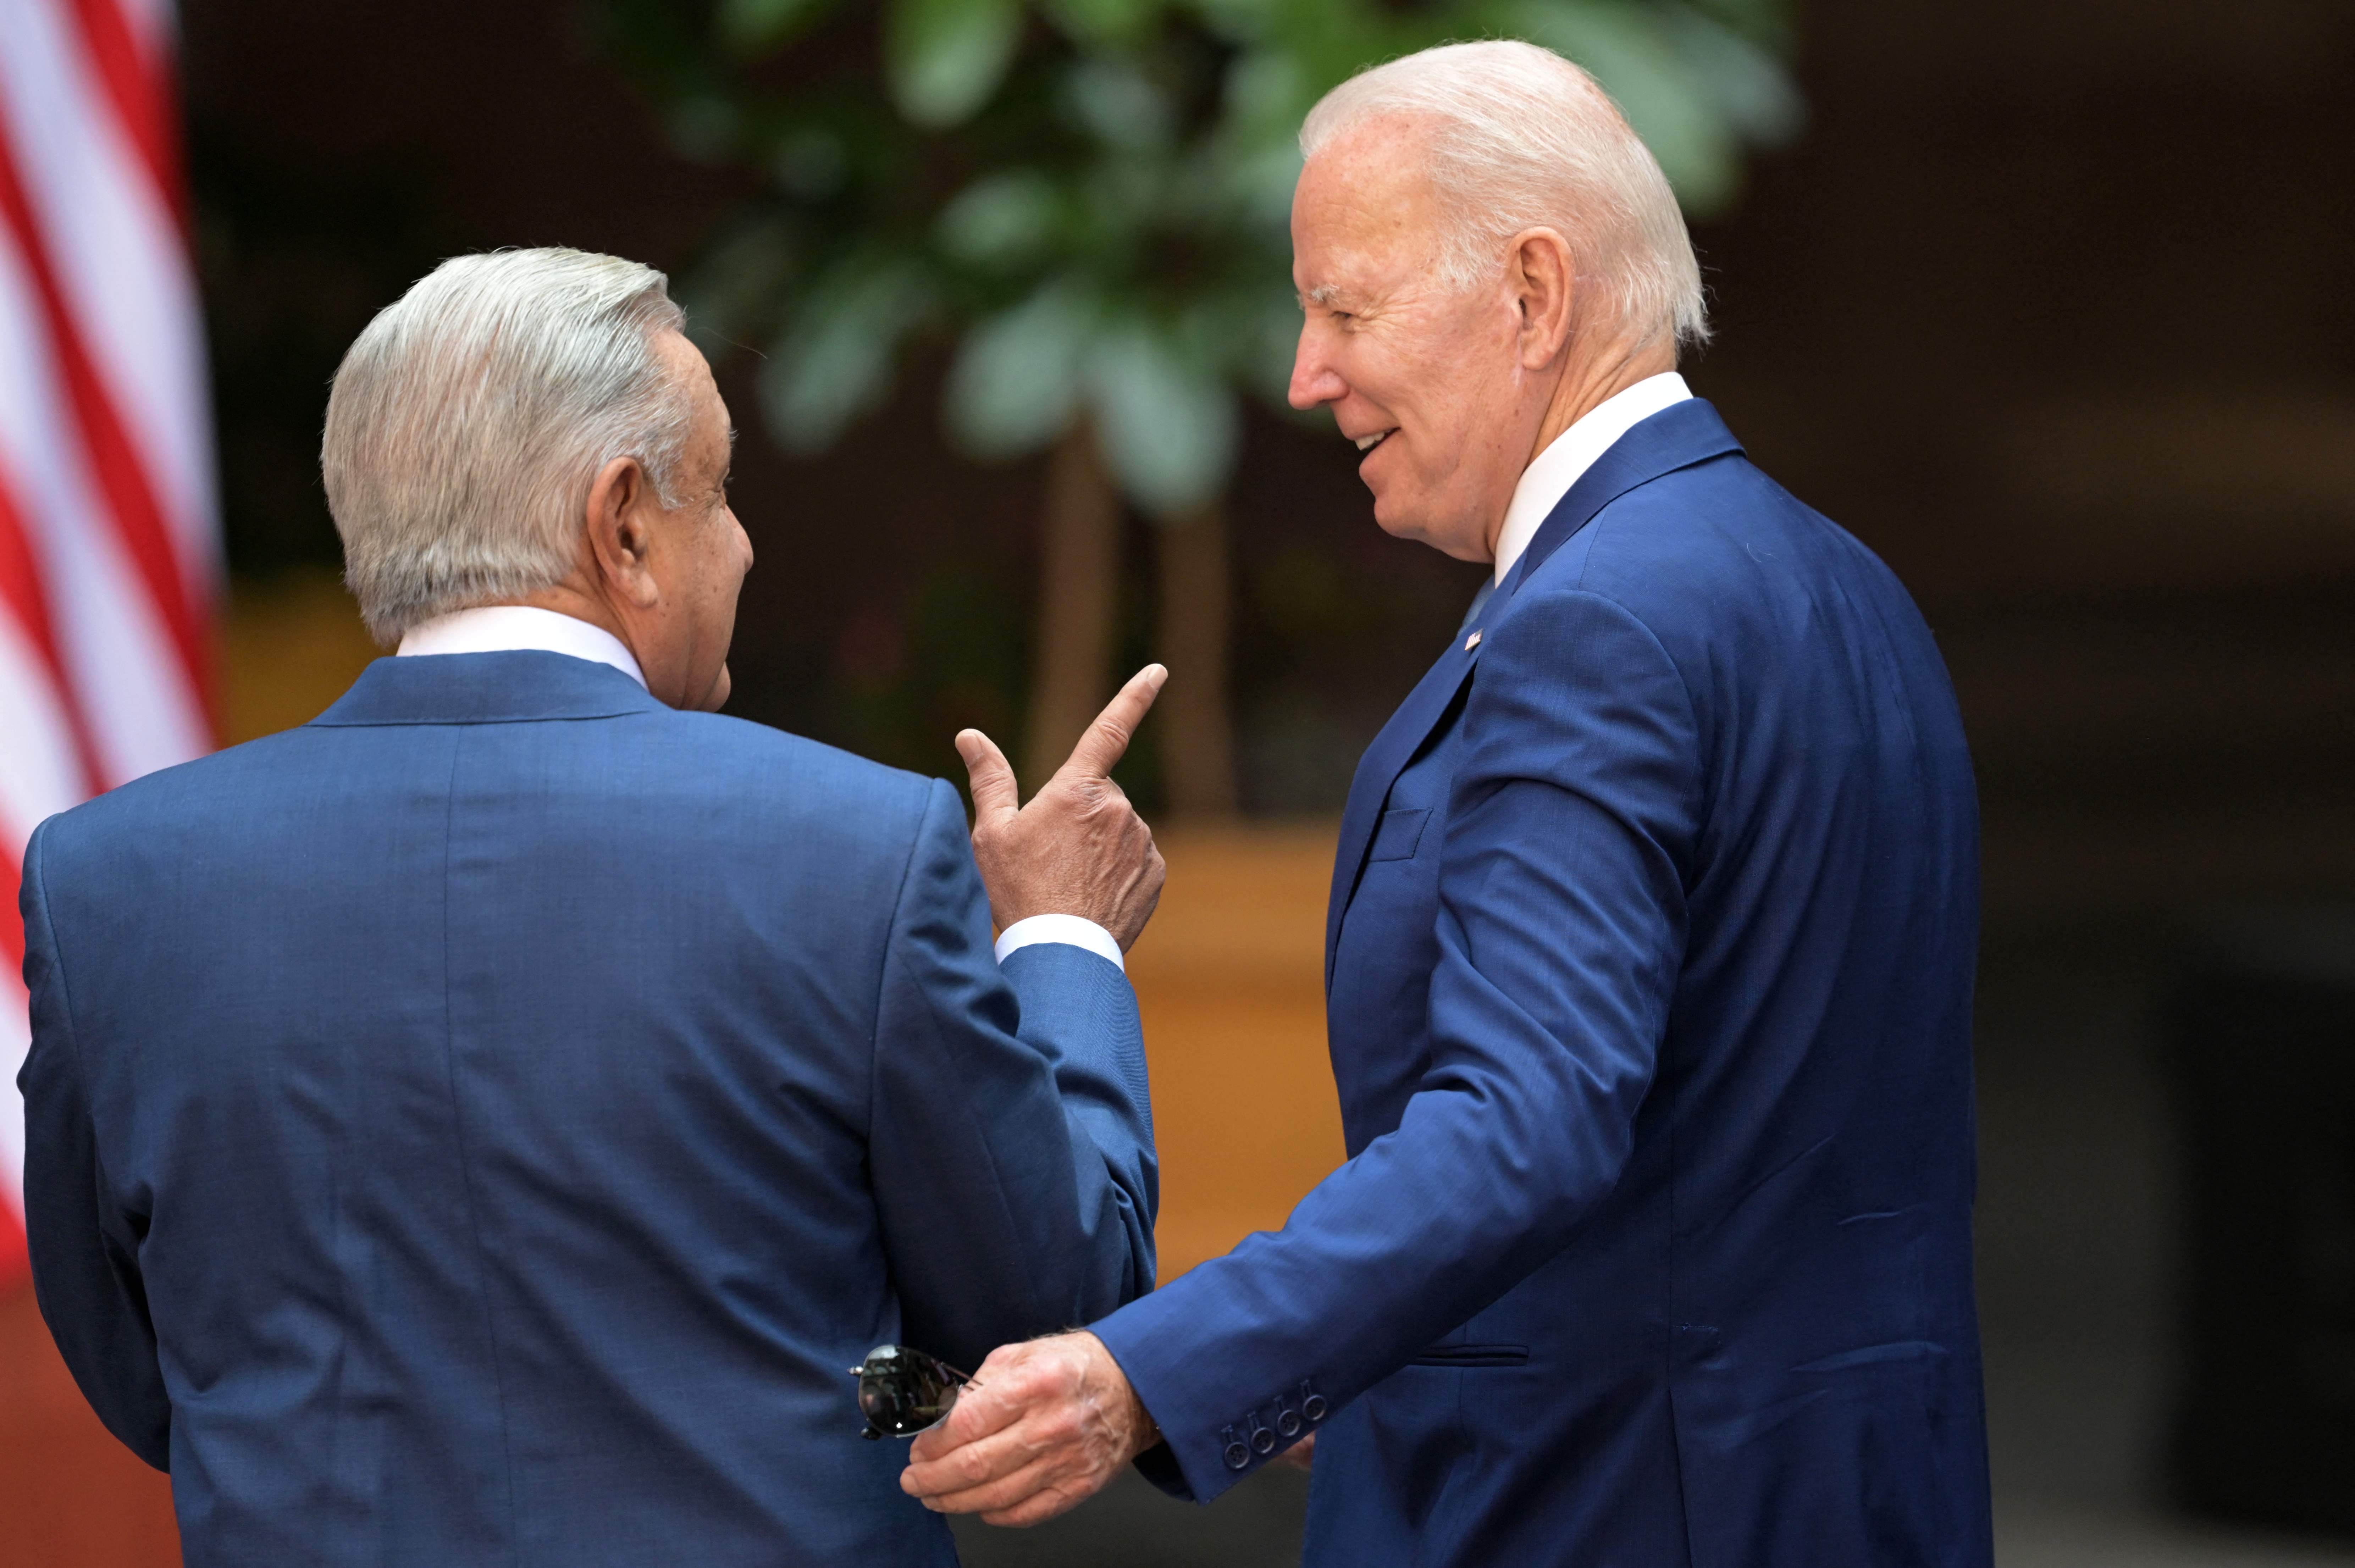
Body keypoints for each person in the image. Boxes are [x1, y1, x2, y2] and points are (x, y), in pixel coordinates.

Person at [902, 40, 1993, 1567]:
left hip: (1603, 1506)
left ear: (1533, 295)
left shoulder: (1594, 619)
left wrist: (1145, 1374)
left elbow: (1525, 1121)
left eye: (1345, 305)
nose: (1303, 372)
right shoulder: (1843, 583)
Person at [16, 247, 1168, 1567]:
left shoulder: (104, 880)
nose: (743, 541)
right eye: (721, 489)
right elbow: (1055, 1310)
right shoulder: (859, 849)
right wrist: (1063, 933)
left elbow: (152, 1377)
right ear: (622, 524)